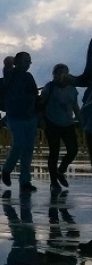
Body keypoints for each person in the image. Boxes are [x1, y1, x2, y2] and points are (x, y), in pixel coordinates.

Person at [1, 52, 39, 192]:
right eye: (25, 61)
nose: (27, 64)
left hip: (30, 116)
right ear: (17, 62)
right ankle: (7, 169)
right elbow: (7, 62)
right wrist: (13, 61)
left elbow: (35, 94)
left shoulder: (29, 76)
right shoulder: (10, 73)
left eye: (29, 62)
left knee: (28, 149)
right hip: (15, 116)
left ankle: (25, 181)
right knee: (19, 144)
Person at [40, 63, 80, 193]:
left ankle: (61, 171)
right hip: (51, 122)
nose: (63, 76)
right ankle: (53, 181)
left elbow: (75, 105)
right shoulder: (49, 87)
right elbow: (41, 104)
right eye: (60, 73)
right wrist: (42, 120)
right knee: (54, 152)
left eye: (65, 73)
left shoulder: (72, 88)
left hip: (68, 123)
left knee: (73, 149)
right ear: (55, 75)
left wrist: (80, 119)